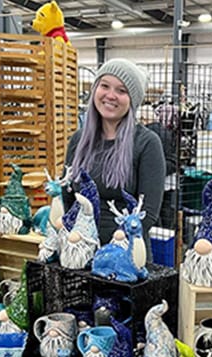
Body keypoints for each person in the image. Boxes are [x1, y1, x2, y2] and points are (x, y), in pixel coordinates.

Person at [64, 59, 165, 258]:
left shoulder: (146, 143)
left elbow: (149, 213)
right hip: (80, 251)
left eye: (121, 90)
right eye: (104, 86)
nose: (110, 95)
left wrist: (114, 248)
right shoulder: (79, 140)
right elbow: (67, 195)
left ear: (132, 100)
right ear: (95, 90)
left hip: (124, 255)